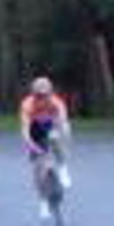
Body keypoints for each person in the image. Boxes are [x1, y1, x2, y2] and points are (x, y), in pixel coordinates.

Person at [19, 76, 74, 218]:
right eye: (39, 95)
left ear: (50, 92)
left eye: (45, 94)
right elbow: (25, 130)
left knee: (55, 137)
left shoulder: (56, 102)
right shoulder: (27, 104)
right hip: (35, 132)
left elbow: (64, 122)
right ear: (33, 93)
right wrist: (31, 145)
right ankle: (43, 203)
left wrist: (65, 139)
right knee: (38, 171)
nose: (42, 98)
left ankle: (62, 168)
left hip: (50, 127)